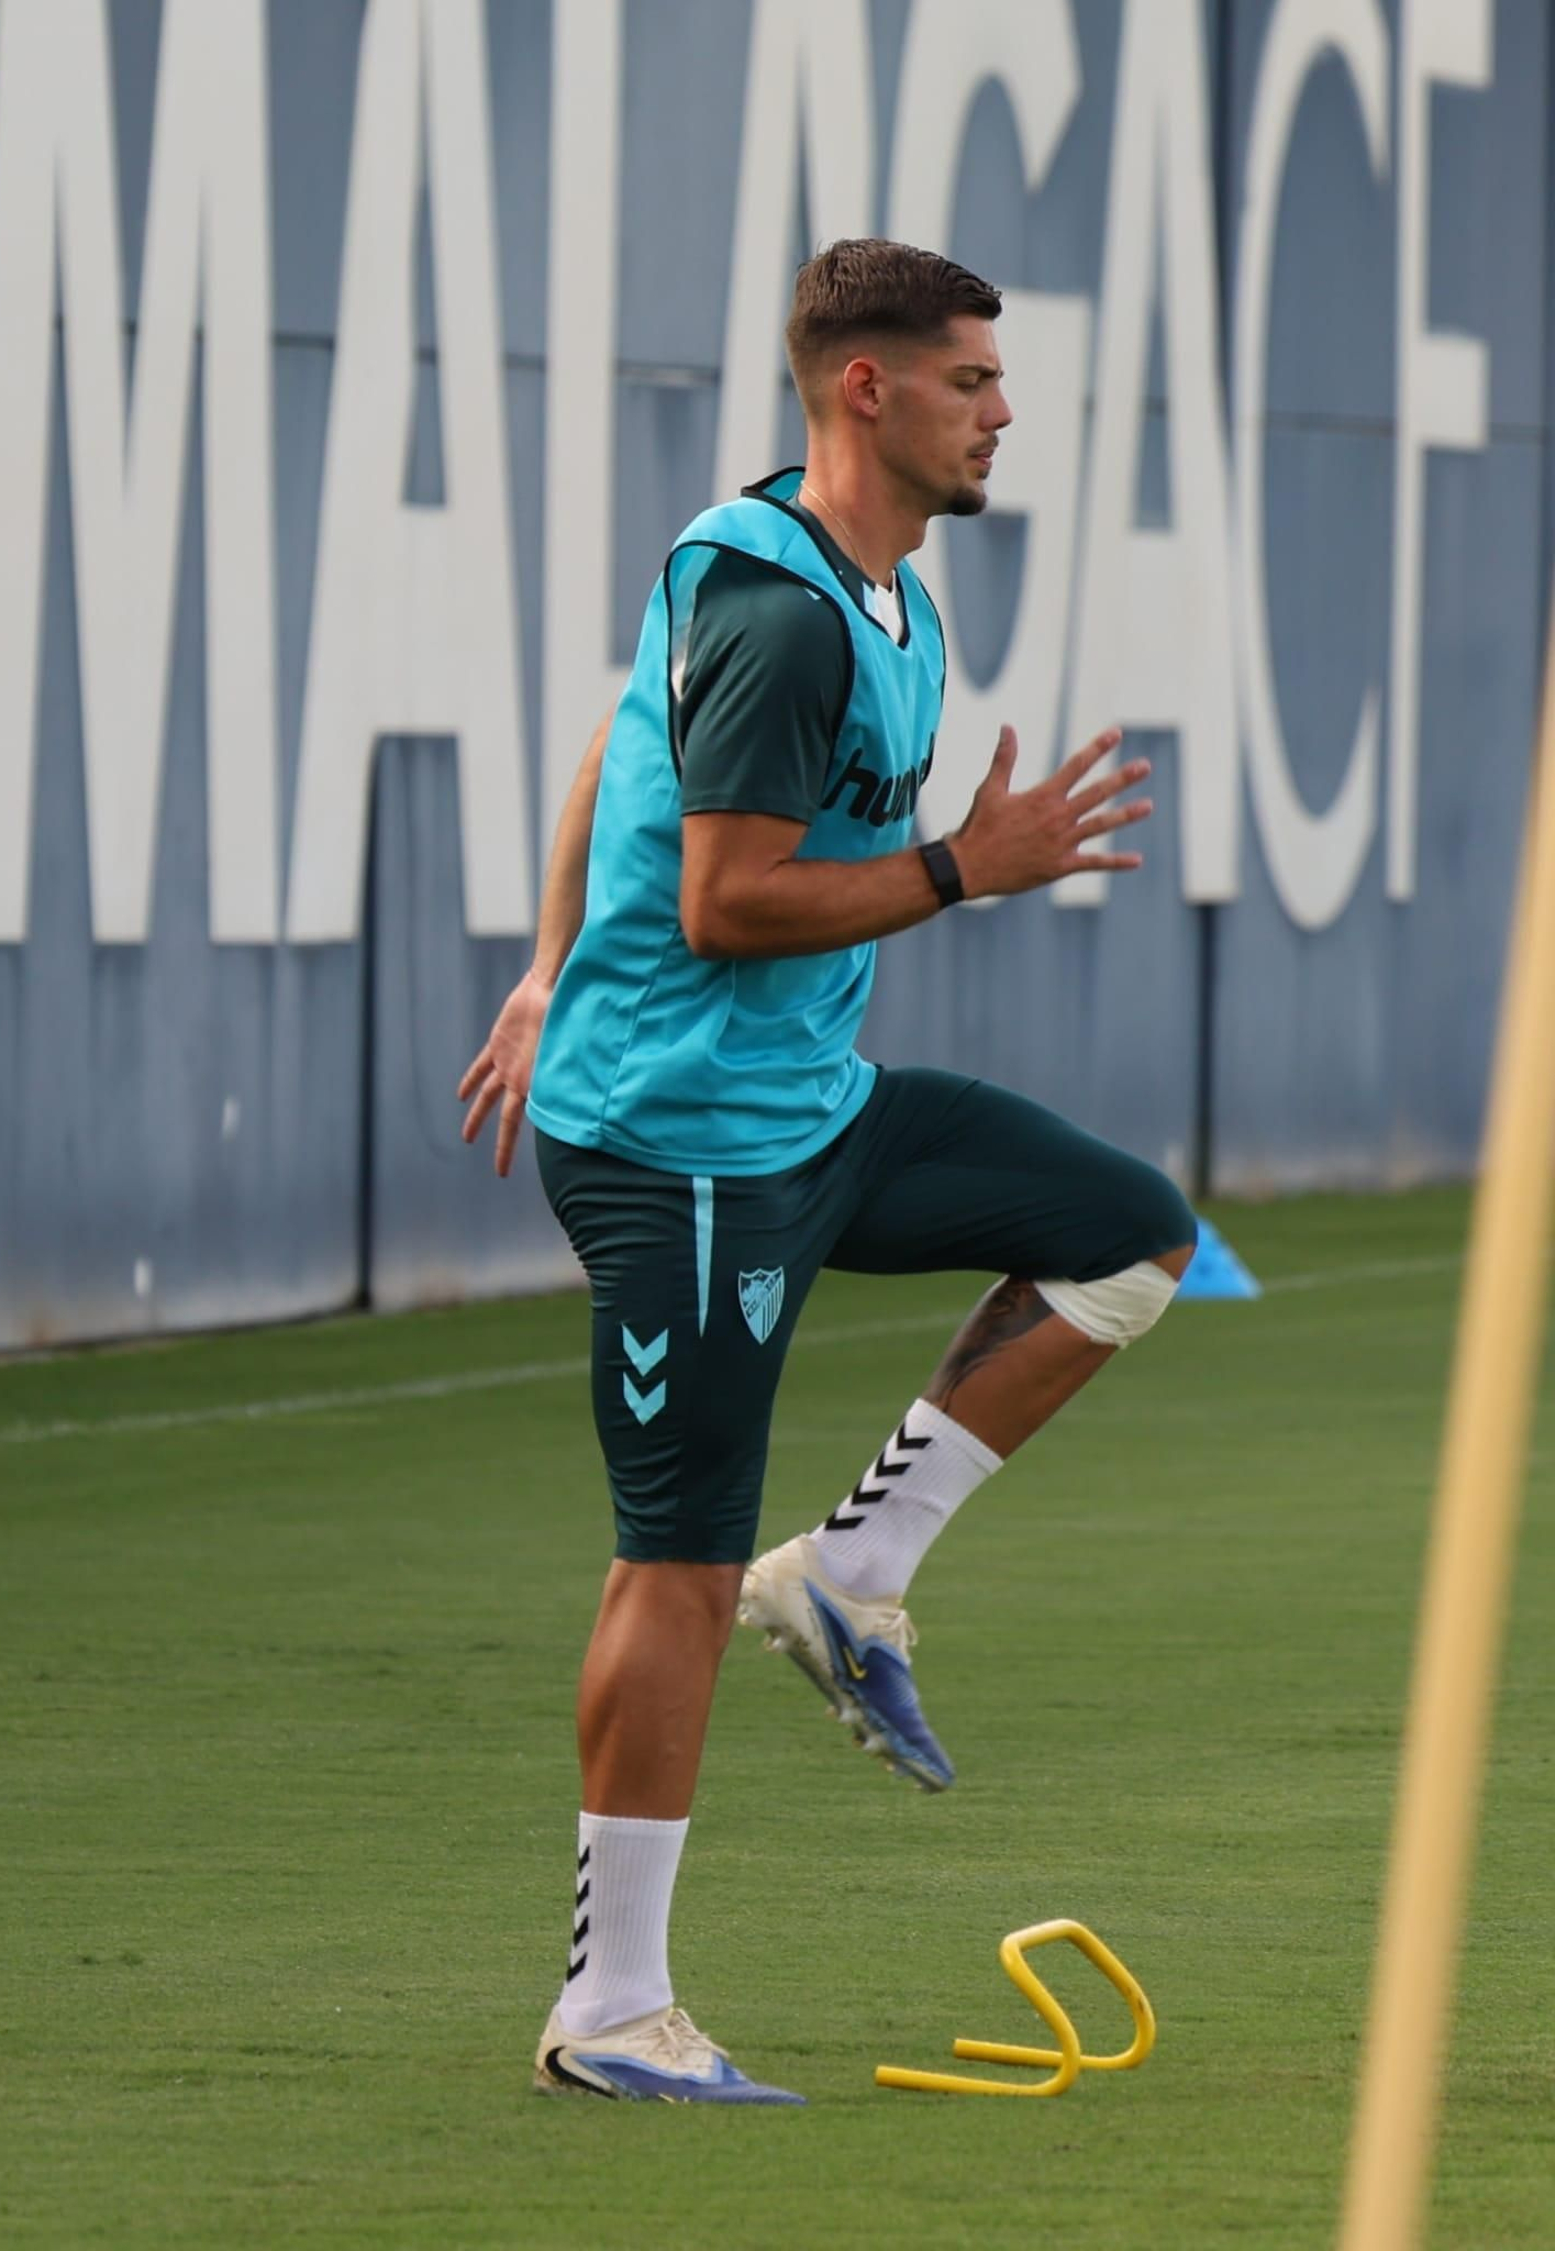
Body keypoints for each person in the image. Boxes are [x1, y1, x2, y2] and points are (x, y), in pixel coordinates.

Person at [459, 240, 1196, 2106]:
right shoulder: (782, 610)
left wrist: (546, 960)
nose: (1003, 411)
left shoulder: (876, 590)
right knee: (678, 1566)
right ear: (866, 386)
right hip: (681, 1150)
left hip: (806, 1109)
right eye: (971, 378)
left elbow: (616, 745)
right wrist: (964, 867)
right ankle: (610, 2011)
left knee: (1128, 1236)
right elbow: (723, 902)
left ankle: (854, 1576)